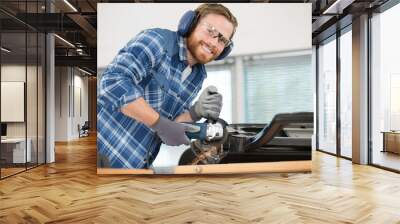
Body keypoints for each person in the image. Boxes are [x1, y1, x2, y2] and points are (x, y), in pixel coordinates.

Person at [97, 3, 238, 169]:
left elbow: (170, 128)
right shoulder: (157, 41)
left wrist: (195, 112)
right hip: (103, 158)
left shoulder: (197, 76)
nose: (214, 42)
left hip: (137, 169)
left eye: (222, 39)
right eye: (210, 30)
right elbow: (112, 83)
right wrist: (159, 123)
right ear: (190, 24)